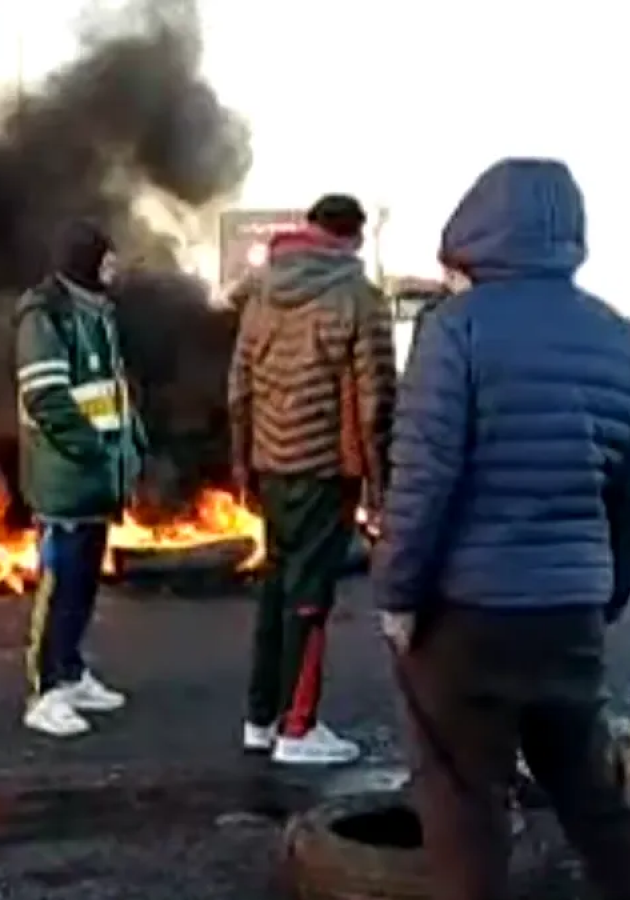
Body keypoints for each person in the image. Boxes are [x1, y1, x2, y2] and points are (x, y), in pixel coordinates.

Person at [373, 158, 630, 900]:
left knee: (466, 801)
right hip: (569, 612)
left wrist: (399, 596)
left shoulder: (456, 330)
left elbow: (425, 477)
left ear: (475, 231)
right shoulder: (626, 339)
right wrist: (607, 598)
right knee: (594, 794)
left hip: (466, 615)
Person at [227, 193, 397, 766]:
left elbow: (239, 386)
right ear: (353, 238)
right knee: (309, 598)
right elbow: (375, 402)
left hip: (271, 466)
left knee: (275, 587)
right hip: (325, 469)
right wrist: (381, 486)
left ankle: (260, 718)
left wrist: (241, 464)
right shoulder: (359, 298)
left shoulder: (261, 294)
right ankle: (297, 728)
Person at [13, 219, 147, 738]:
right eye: (108, 258)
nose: (115, 268)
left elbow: (112, 392)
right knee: (58, 585)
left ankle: (71, 674)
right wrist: (92, 450)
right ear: (88, 259)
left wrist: (131, 442)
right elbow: (45, 396)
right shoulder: (46, 315)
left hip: (96, 481)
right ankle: (44, 692)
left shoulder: (97, 314)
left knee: (84, 586)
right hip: (65, 479)